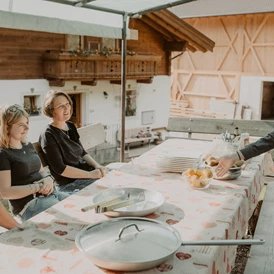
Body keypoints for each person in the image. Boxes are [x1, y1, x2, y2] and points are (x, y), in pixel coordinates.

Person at [0, 104, 69, 221]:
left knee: (78, 204)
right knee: (68, 217)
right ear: (7, 127)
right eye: (21, 125)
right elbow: (5, 193)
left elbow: (41, 171)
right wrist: (37, 187)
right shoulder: (3, 154)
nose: (27, 128)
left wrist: (48, 179)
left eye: (27, 123)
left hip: (48, 194)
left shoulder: (28, 145)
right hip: (28, 205)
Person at [39, 90, 104, 194]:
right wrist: (91, 175)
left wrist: (98, 166)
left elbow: (82, 152)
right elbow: (60, 169)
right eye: (61, 106)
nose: (66, 109)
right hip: (68, 185)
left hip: (85, 177)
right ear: (51, 110)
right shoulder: (48, 135)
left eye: (67, 104)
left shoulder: (70, 126)